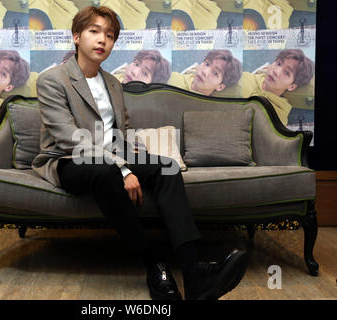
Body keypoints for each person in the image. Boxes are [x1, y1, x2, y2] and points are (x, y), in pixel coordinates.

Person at [32, 5, 248, 300]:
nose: (102, 40)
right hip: (70, 160)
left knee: (168, 167)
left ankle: (195, 272)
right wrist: (123, 168)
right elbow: (69, 138)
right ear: (76, 37)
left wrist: (138, 158)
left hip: (112, 156)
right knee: (105, 171)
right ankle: (155, 265)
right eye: (94, 31)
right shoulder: (52, 80)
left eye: (109, 35)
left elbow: (120, 133)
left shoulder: (113, 83)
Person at [242, 49, 314, 125]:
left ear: (291, 86)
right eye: (279, 63)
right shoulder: (245, 77)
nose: (276, 71)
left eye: (286, 73)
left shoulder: (279, 117)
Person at [168, 50, 242, 96]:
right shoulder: (173, 80)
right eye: (207, 64)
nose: (204, 72)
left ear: (220, 87)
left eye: (215, 73)